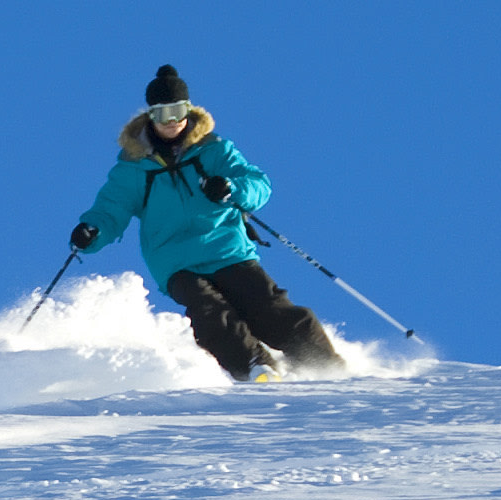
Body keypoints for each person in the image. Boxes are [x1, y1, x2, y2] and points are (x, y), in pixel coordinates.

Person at [67, 65, 346, 381]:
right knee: (210, 314)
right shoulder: (133, 167)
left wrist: (230, 188)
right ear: (150, 117)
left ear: (189, 110)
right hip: (175, 260)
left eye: (177, 111)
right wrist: (92, 231)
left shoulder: (214, 150)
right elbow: (110, 209)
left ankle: (326, 368)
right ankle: (256, 367)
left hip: (227, 250)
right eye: (162, 114)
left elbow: (257, 183)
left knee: (269, 310)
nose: (171, 121)